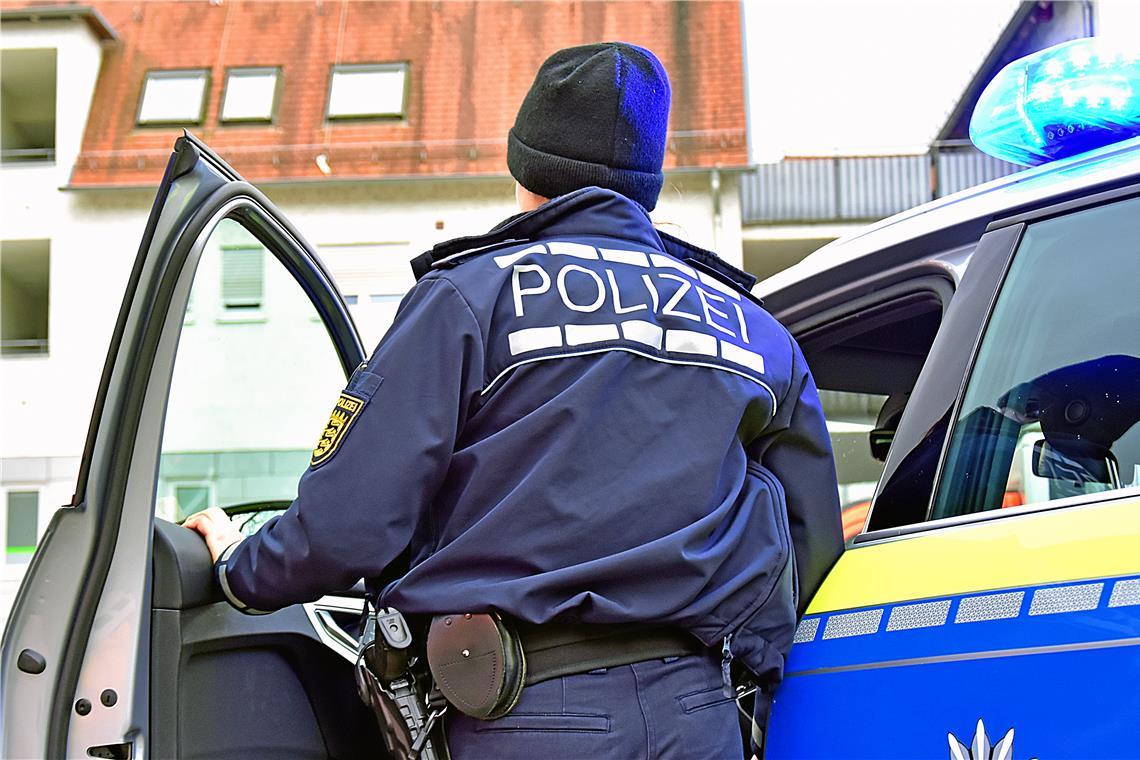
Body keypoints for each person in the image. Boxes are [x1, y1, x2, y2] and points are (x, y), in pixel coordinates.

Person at [186, 42, 843, 759]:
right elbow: (808, 546)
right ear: (647, 182)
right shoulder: (754, 331)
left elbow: (349, 524)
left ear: (525, 167)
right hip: (700, 715)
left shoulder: (471, 298)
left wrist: (239, 569)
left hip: (527, 713)